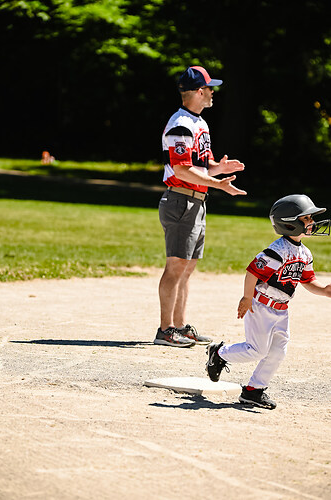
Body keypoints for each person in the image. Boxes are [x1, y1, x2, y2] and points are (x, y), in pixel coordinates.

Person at [206, 194, 331, 409]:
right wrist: (247, 298)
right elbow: (252, 272)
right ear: (289, 223)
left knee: (278, 352)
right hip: (261, 306)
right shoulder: (277, 250)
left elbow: (308, 281)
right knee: (257, 350)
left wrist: (326, 290)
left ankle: (254, 390)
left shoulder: (304, 252)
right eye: (306, 218)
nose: (311, 223)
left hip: (282, 311)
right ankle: (218, 353)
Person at [154, 66, 247, 348]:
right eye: (209, 88)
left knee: (187, 267)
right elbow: (181, 170)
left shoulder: (200, 123)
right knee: (175, 266)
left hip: (195, 202)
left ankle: (179, 325)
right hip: (180, 200)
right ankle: (165, 330)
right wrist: (217, 184)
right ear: (198, 91)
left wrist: (218, 169)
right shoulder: (181, 123)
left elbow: (198, 165)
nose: (212, 92)